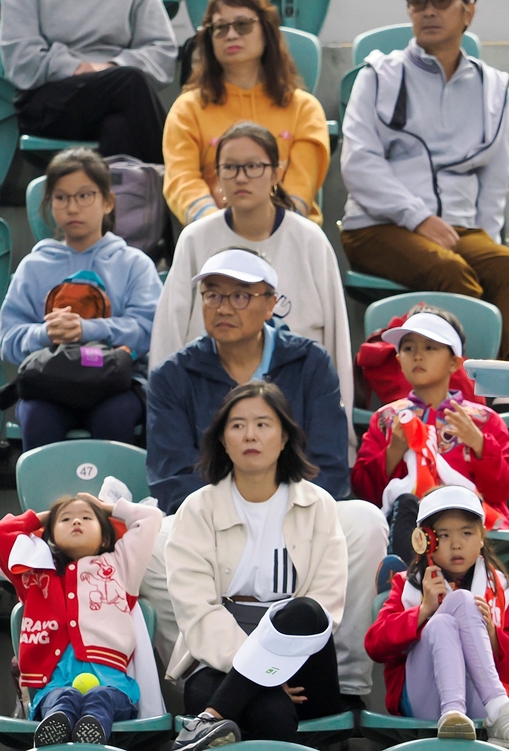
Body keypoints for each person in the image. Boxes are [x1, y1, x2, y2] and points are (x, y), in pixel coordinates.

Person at [142, 249, 386, 708]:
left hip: (294, 506)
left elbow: (331, 466)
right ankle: (212, 663)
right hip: (216, 518)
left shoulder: (308, 362)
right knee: (155, 538)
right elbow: (171, 478)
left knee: (365, 520)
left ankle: (348, 680)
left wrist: (275, 502)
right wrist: (237, 505)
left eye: (239, 295)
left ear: (271, 302)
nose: (223, 306)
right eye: (212, 294)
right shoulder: (174, 374)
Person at [339, 0, 509, 367]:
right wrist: (416, 217)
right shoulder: (377, 75)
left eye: (442, 0)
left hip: (459, 228)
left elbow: (496, 176)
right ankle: (468, 381)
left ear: (469, 11)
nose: (428, 10)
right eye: (418, 1)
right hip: (377, 227)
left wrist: (488, 239)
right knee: (451, 271)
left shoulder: (492, 87)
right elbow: (359, 164)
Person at [164, 383, 347, 749]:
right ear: (222, 440)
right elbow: (196, 608)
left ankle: (210, 719)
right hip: (219, 652)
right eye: (237, 425)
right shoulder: (197, 510)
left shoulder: (319, 505)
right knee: (270, 712)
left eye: (263, 424)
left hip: (302, 660)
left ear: (284, 438)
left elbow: (326, 605)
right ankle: (216, 711)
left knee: (304, 610)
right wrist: (259, 671)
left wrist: (275, 664)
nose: (250, 435)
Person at [151, 122, 353, 432]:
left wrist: (344, 431)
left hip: (297, 411)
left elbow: (337, 344)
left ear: (276, 173)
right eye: (230, 167)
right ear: (217, 177)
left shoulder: (311, 241)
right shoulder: (194, 239)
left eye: (253, 166)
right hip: (208, 410)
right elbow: (168, 338)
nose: (241, 177)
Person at [0, 148, 162, 449]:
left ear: (108, 201)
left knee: (115, 417)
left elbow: (149, 331)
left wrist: (87, 330)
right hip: (49, 385)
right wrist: (45, 332)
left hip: (116, 385)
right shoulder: (34, 266)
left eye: (84, 196)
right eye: (61, 198)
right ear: (49, 205)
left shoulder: (134, 264)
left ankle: (113, 498)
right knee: (36, 417)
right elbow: (9, 340)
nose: (72, 208)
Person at [364, 486, 509, 747]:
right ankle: (496, 709)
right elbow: (375, 645)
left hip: (477, 700)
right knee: (446, 615)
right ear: (425, 540)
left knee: (454, 610)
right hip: (424, 698)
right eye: (444, 535)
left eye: (467, 532)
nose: (457, 544)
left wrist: (493, 635)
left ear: (482, 537)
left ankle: (464, 710)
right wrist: (423, 610)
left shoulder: (507, 591)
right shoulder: (407, 585)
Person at [0, 492, 162, 746]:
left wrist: (106, 508)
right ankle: (60, 726)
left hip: (113, 685)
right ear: (50, 534)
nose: (76, 522)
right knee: (61, 699)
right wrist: (45, 518)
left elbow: (150, 518)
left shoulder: (122, 565)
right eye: (66, 519)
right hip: (54, 684)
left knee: (101, 698)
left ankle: (91, 731)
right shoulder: (34, 572)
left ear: (105, 537)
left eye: (86, 517)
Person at [352, 307, 509, 562]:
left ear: (455, 362)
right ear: (398, 360)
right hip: (410, 525)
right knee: (406, 504)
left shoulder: (484, 421)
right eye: (408, 349)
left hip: (471, 526)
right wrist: (394, 450)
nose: (418, 355)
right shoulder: (386, 420)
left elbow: (502, 489)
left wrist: (478, 443)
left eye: (430, 347)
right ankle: (407, 579)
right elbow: (366, 490)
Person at [163, 0, 329, 226]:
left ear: (266, 30)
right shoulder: (187, 109)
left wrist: (269, 232)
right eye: (220, 27)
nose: (230, 35)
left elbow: (300, 187)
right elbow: (181, 181)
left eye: (242, 25)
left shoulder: (304, 108)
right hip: (215, 238)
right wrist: (219, 227)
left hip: (288, 236)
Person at [0, 0, 175, 162]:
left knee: (119, 127)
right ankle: (170, 183)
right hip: (50, 99)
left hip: (119, 94)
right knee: (129, 82)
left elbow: (162, 49)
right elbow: (20, 57)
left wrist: (111, 66)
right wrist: (76, 68)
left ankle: (123, 193)